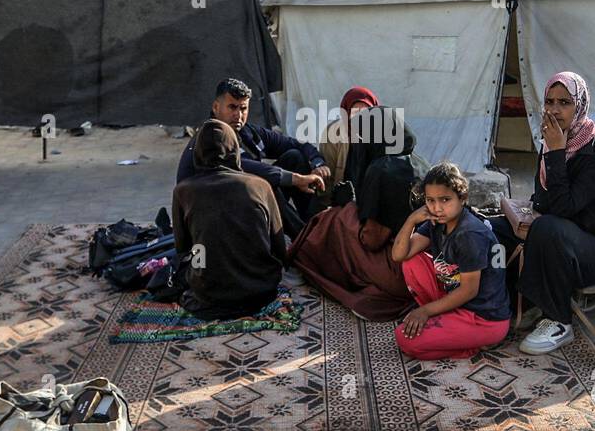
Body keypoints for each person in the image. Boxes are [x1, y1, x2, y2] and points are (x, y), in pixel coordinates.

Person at [489, 72, 595, 355]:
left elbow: (564, 208)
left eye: (564, 102)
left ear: (580, 106)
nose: (553, 110)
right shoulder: (552, 141)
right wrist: (553, 151)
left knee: (548, 228)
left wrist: (556, 154)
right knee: (493, 227)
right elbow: (542, 200)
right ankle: (511, 303)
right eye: (549, 101)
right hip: (560, 236)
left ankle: (559, 320)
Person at [289, 104, 428, 321]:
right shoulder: (420, 163)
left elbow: (372, 240)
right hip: (426, 270)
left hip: (399, 272)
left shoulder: (382, 169)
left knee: (332, 220)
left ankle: (314, 268)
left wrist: (349, 206)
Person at [176, 78, 330, 237]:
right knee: (265, 185)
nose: (238, 115)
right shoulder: (209, 137)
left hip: (243, 201)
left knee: (294, 157)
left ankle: (315, 225)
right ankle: (305, 239)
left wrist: (317, 162)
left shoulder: (248, 133)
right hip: (214, 212)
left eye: (243, 108)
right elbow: (242, 167)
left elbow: (296, 145)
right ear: (216, 107)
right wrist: (295, 178)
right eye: (232, 107)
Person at [390, 163, 510, 360]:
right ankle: (445, 318)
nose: (437, 208)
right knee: (411, 262)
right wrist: (411, 219)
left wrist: (425, 311)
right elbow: (399, 255)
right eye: (430, 200)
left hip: (484, 318)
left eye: (445, 200)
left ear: (461, 198)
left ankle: (475, 345)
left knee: (405, 339)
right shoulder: (437, 223)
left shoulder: (469, 234)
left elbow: (469, 290)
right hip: (459, 299)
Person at [170, 120, 287, 320]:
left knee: (182, 267)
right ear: (235, 149)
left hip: (208, 295)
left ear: (197, 151)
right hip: (262, 291)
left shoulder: (184, 191)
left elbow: (183, 249)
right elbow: (279, 248)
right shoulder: (260, 185)